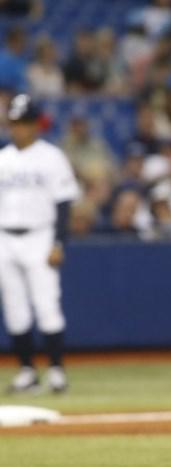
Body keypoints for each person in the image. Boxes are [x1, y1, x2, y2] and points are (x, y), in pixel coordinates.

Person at [0, 94, 80, 393]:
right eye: (14, 123)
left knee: (47, 304)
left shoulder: (51, 157)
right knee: (15, 308)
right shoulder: (3, 159)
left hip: (39, 236)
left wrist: (59, 242)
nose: (18, 129)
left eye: (24, 122)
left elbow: (63, 205)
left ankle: (57, 371)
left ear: (36, 124)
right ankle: (27, 371)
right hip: (5, 237)